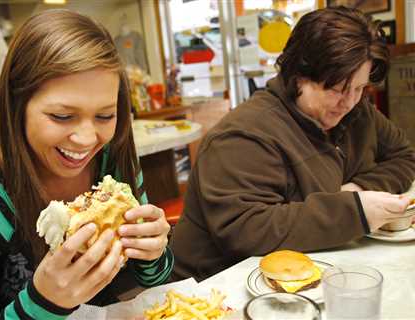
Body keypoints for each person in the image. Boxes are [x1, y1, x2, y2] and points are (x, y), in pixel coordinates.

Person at [0, 9, 172, 319]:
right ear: (18, 106)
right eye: (62, 116)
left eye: (104, 115)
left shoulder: (113, 164)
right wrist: (43, 302)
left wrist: (154, 253)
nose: (87, 139)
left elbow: (154, 278)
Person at [169, 6, 415, 282]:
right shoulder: (243, 135)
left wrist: (358, 188)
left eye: (359, 88)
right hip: (212, 288)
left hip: (310, 271)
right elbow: (246, 231)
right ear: (299, 75)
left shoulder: (359, 112)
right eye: (336, 89)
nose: (349, 102)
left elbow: (405, 156)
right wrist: (353, 209)